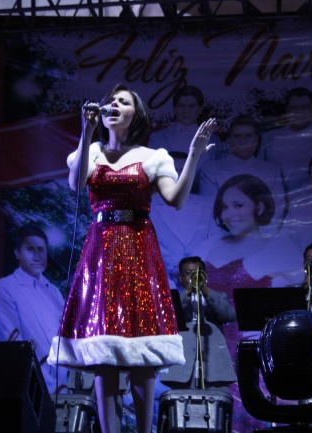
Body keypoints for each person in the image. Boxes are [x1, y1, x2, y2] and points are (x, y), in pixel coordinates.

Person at [47, 83, 217, 433]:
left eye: (122, 101)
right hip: (101, 252)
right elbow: (76, 184)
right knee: (104, 352)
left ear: (135, 115)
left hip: (139, 249)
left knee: (142, 350)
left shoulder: (154, 157)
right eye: (111, 100)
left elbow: (176, 199)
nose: (114, 104)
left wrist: (195, 154)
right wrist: (86, 129)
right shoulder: (90, 150)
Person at [198, 173, 302, 433]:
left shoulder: (280, 246)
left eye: (238, 205)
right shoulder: (208, 245)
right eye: (224, 207)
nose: (229, 214)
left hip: (253, 352)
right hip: (210, 348)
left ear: (260, 206)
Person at [0, 223, 68, 394]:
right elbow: (14, 344)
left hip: (65, 388)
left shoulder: (54, 291)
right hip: (31, 386)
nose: (37, 256)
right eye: (30, 249)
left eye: (41, 250)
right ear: (17, 253)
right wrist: (49, 385)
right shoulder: (4, 288)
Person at [196, 115, 288, 234]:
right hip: (222, 238)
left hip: (261, 239)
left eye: (248, 136)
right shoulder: (211, 169)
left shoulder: (272, 170)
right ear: (229, 140)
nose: (243, 141)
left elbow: (278, 208)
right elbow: (209, 210)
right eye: (237, 136)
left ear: (256, 139)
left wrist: (261, 238)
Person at [160, 256, 237, 391]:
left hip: (214, 366)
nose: (193, 277)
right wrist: (188, 291)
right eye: (188, 273)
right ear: (180, 277)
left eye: (197, 272)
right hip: (182, 367)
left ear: (204, 274)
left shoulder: (218, 296)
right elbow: (166, 318)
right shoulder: (172, 300)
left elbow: (229, 316)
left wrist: (206, 292)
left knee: (218, 406)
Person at [149, 151, 220, 287]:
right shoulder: (149, 205)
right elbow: (149, 239)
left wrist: (194, 263)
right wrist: (173, 265)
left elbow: (214, 236)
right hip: (162, 275)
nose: (180, 175)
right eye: (174, 170)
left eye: (184, 170)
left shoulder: (206, 204)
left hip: (202, 275)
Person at [259, 87, 312, 197]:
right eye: (294, 108)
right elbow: (259, 172)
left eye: (305, 108)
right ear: (287, 111)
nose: (299, 113)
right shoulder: (269, 137)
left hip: (310, 205)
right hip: (272, 202)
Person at [148, 85, 225, 163]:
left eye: (192, 106)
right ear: (174, 109)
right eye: (181, 106)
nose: (186, 110)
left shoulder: (214, 140)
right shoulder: (157, 138)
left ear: (200, 109)